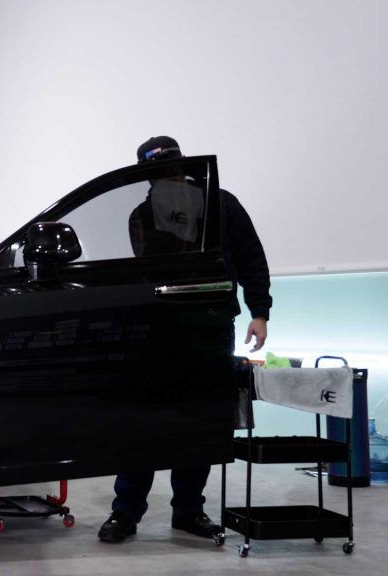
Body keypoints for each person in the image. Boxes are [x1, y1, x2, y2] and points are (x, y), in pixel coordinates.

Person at [98, 135, 272, 543]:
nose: (169, 177)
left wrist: (259, 313)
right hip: (156, 330)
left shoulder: (222, 204)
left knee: (200, 420)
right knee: (143, 422)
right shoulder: (141, 214)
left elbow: (251, 257)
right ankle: (125, 512)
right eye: (158, 173)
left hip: (209, 326)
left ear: (184, 166)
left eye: (172, 169)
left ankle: (189, 511)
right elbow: (143, 272)